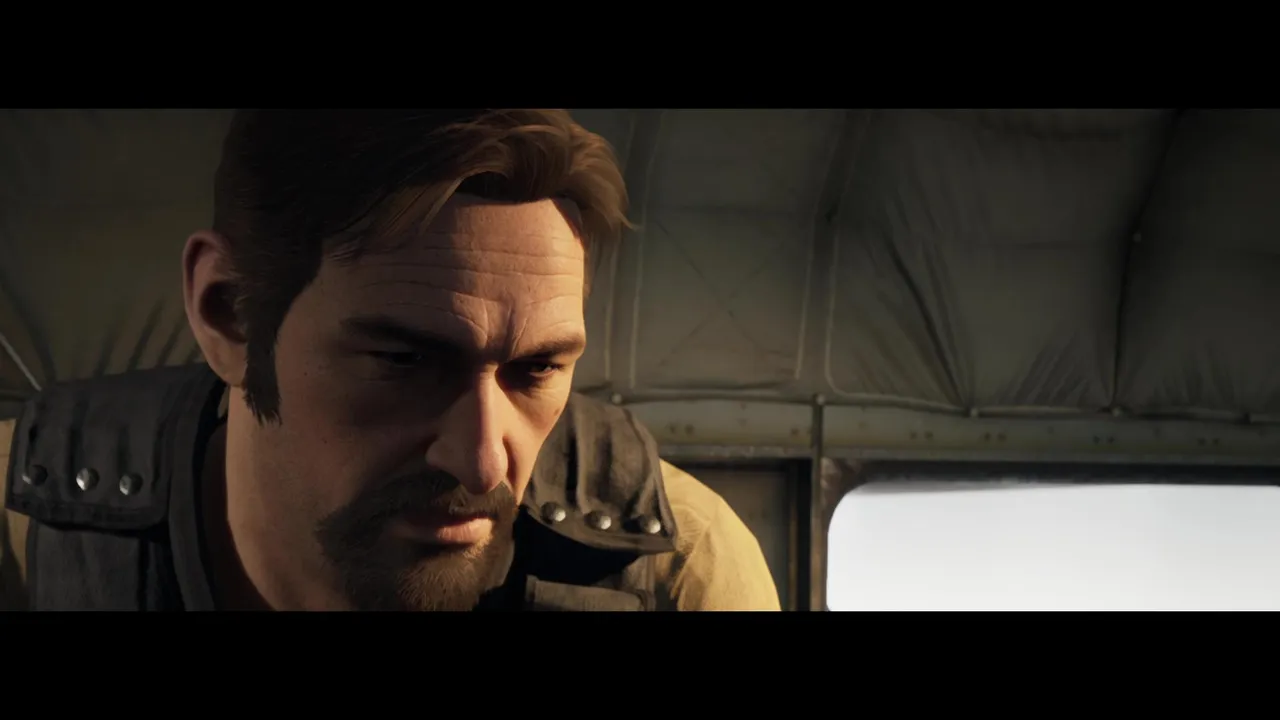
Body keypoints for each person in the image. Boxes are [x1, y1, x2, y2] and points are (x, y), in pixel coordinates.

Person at [0, 109, 781, 611]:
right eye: (405, 361)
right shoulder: (22, 527)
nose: (483, 460)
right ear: (228, 314)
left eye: (537, 370)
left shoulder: (680, 570)